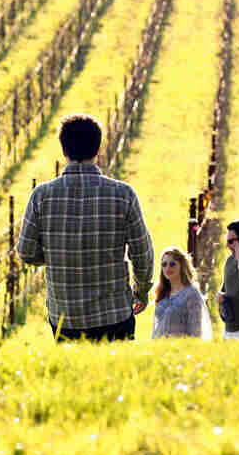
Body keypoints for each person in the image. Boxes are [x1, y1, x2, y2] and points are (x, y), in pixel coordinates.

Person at [17, 114, 153, 342]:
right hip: (114, 313)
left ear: (64, 150)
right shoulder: (123, 195)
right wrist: (141, 291)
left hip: (65, 316)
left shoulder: (41, 196)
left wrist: (57, 254)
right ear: (98, 149)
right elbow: (142, 253)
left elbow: (26, 252)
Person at [150, 246, 212, 339]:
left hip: (180, 350)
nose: (168, 268)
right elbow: (155, 330)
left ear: (181, 266)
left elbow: (196, 333)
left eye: (172, 264)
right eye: (164, 264)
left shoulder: (191, 294)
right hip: (160, 350)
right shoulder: (162, 293)